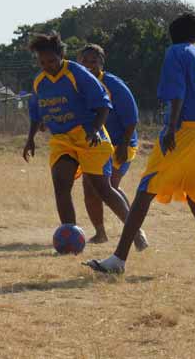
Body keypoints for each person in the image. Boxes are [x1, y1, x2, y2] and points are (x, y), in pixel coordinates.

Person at [84, 13, 195, 277]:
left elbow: (177, 93)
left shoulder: (176, 51)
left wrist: (171, 127)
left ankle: (118, 260)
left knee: (145, 190)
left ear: (174, 36)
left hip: (187, 128)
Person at [22, 33, 147, 248]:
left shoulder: (77, 73)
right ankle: (70, 239)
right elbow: (35, 112)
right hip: (62, 139)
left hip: (89, 137)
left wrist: (95, 129)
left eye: (51, 61)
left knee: (103, 189)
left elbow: (104, 104)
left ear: (61, 56)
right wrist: (30, 138)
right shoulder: (39, 81)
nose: (47, 66)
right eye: (42, 63)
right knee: (61, 185)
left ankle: (134, 233)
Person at [77, 44, 140, 245]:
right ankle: (100, 233)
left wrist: (123, 145)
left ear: (101, 64)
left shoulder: (113, 84)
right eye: (84, 61)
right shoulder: (77, 84)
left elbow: (132, 117)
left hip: (121, 143)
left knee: (109, 186)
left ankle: (134, 231)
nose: (88, 65)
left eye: (93, 61)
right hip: (95, 144)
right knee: (90, 188)